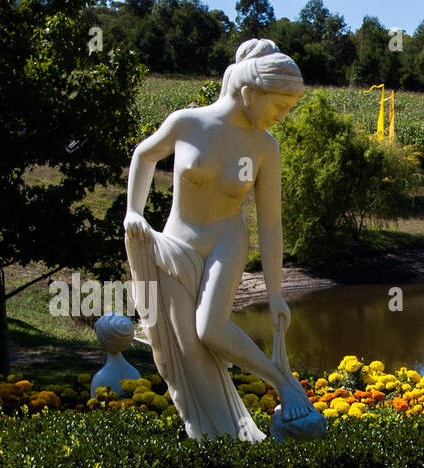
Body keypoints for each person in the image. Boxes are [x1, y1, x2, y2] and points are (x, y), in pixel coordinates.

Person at [123, 38, 321, 441]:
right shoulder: (187, 123)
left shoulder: (265, 147)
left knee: (210, 329)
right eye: (280, 106)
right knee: (185, 352)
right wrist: (134, 211)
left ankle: (282, 382)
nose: (283, 117)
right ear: (250, 92)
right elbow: (144, 156)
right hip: (177, 244)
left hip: (227, 241)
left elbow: (270, 223)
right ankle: (216, 440)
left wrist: (276, 292)